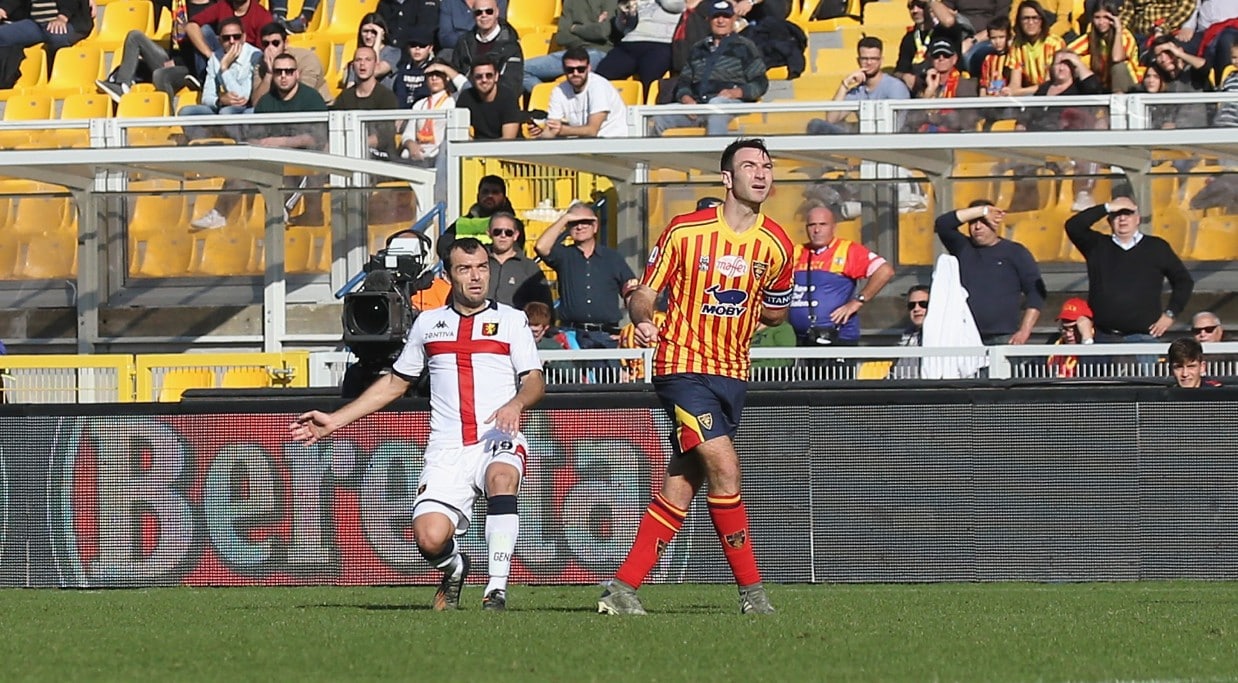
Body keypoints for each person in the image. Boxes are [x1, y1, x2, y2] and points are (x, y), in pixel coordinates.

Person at [290, 237, 546, 611]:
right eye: (465, 269)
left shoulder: (510, 320)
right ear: (448, 274)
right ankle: (456, 567)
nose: (476, 278)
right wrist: (334, 421)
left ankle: (495, 589)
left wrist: (517, 402)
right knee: (429, 539)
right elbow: (396, 382)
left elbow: (535, 379)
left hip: (497, 437)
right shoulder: (429, 324)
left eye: (482, 269)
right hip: (447, 449)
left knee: (501, 479)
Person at [598, 138, 794, 616]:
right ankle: (753, 594)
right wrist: (644, 317)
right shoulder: (686, 231)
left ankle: (622, 589)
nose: (761, 173)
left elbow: (777, 310)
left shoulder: (778, 244)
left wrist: (755, 310)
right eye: (750, 165)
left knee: (682, 483)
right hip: (682, 365)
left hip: (732, 372)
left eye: (767, 166)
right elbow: (645, 292)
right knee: (725, 468)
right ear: (727, 178)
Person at [190, 52, 327, 229]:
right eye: (278, 72)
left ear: (297, 74)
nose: (283, 76)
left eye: (288, 71)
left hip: (306, 158)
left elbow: (316, 138)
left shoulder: (311, 98)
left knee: (304, 166)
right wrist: (256, 145)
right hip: (271, 158)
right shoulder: (266, 102)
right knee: (240, 169)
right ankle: (220, 213)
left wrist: (280, 142)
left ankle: (282, 208)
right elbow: (255, 135)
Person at [1064, 195, 1194, 344]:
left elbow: (1184, 281)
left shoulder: (1157, 247)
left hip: (1145, 337)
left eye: (1127, 213)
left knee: (1148, 368)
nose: (1122, 219)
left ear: (1137, 218)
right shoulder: (1097, 245)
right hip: (1104, 336)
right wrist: (1107, 207)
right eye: (1117, 214)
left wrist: (1170, 314)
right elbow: (1073, 226)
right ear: (1109, 220)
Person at [934, 200, 1046, 344]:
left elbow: (1036, 293)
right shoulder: (963, 248)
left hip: (1005, 336)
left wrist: (1025, 330)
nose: (978, 227)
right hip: (965, 336)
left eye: (983, 222)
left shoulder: (1015, 252)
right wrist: (983, 211)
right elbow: (943, 224)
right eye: (973, 222)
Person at [651, 1, 768, 137]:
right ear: (708, 20)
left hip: (730, 103)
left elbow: (760, 82)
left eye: (726, 17)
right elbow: (684, 81)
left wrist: (735, 92)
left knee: (716, 106)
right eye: (716, 17)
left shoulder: (745, 46)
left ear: (733, 19)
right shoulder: (697, 48)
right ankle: (647, 157)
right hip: (699, 105)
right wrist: (686, 98)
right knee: (657, 118)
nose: (720, 21)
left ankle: (718, 155)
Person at [534, 202, 638, 350]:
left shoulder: (613, 258)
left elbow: (632, 293)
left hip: (606, 337)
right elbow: (541, 247)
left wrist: (633, 328)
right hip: (571, 336)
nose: (580, 226)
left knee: (609, 374)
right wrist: (565, 219)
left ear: (595, 227)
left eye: (585, 222)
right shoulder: (564, 255)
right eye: (574, 223)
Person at [789, 205, 894, 347]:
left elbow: (885, 271)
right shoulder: (797, 251)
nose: (817, 230)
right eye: (812, 225)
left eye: (823, 224)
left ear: (834, 227)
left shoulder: (847, 250)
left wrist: (857, 301)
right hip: (800, 338)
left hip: (838, 338)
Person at [806, 37, 911, 135]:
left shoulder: (895, 87)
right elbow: (831, 119)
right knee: (815, 125)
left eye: (874, 58)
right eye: (864, 59)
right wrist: (845, 84)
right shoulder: (857, 91)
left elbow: (898, 126)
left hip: (889, 140)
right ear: (858, 61)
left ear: (881, 60)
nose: (869, 62)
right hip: (863, 139)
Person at [527, 46, 629, 139]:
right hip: (583, 144)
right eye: (570, 70)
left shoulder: (598, 85)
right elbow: (552, 128)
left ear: (589, 68)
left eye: (580, 69)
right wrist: (542, 133)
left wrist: (560, 130)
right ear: (564, 69)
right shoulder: (559, 91)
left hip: (612, 142)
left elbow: (592, 131)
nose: (575, 73)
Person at [177, 17, 260, 127]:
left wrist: (224, 68)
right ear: (219, 40)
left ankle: (236, 143)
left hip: (247, 108)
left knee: (226, 113)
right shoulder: (214, 58)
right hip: (222, 107)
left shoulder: (255, 56)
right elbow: (206, 97)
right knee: (186, 112)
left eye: (236, 37)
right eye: (226, 38)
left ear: (243, 38)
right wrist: (219, 101)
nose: (231, 41)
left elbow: (242, 98)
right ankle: (202, 142)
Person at [522, 0, 615, 93]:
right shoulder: (570, 2)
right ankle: (551, 99)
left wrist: (575, 28)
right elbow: (562, 37)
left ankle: (554, 100)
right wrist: (591, 31)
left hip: (601, 53)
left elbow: (603, 32)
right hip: (575, 52)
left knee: (521, 69)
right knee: (520, 69)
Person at [594, 0, 686, 88]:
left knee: (649, 78)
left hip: (660, 43)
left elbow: (673, 5)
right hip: (629, 43)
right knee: (600, 77)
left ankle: (647, 102)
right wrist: (624, 15)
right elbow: (621, 28)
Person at [333, 46, 400, 161]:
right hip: (348, 157)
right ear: (353, 65)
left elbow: (384, 136)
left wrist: (354, 143)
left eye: (367, 60)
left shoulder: (386, 96)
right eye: (358, 60)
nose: (362, 64)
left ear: (375, 65)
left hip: (381, 158)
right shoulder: (344, 97)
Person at [435, 56, 522, 140]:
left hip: (508, 152)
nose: (484, 80)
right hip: (476, 151)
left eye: (489, 75)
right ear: (472, 78)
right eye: (479, 76)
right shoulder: (466, 97)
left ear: (496, 77)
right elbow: (461, 133)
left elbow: (508, 139)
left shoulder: (508, 97)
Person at [449, 0, 524, 95]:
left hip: (497, 102)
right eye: (478, 12)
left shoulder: (511, 46)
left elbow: (512, 86)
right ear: (473, 16)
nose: (484, 15)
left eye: (489, 11)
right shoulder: (464, 42)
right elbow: (455, 73)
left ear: (497, 12)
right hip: (465, 98)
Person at [486, 212, 553, 311]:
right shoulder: (479, 263)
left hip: (516, 324)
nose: (503, 236)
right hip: (482, 322)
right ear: (489, 233)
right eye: (497, 232)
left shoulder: (529, 267)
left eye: (508, 232)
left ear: (516, 235)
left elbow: (544, 305)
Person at [251, 22, 332, 104]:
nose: (270, 48)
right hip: (278, 108)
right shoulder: (262, 64)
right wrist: (269, 73)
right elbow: (257, 103)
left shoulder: (306, 59)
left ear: (285, 43)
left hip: (316, 108)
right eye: (266, 44)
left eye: (275, 43)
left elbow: (302, 97)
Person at [1004, 0, 1065, 96]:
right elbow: (1015, 84)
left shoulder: (1055, 44)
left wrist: (1018, 92)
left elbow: (1049, 84)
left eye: (1035, 18)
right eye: (1026, 18)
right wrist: (1009, 91)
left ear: (1042, 21)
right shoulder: (1017, 45)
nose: (1030, 22)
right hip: (1029, 94)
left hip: (1053, 94)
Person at [400, 67, 455, 165]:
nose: (434, 78)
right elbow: (407, 134)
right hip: (415, 155)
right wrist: (411, 145)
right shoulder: (419, 104)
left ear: (446, 77)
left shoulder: (453, 102)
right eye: (430, 75)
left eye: (438, 75)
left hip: (440, 157)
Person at [342, 13, 403, 90]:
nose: (368, 36)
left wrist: (378, 40)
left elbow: (375, 70)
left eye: (374, 32)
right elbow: (350, 87)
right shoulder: (358, 58)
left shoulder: (393, 53)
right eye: (365, 31)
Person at [0, 0, 92, 52]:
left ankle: (51, 76)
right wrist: (3, 9)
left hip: (68, 22)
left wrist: (62, 17)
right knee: (3, 35)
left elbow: (72, 2)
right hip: (36, 23)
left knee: (57, 38)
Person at [1045, 297, 1095, 377]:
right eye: (1065, 329)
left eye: (1074, 328)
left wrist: (1086, 338)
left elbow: (1090, 374)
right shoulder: (1055, 340)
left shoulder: (1100, 342)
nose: (1068, 334)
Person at [890, 284, 929, 379]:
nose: (916, 309)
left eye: (923, 304)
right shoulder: (907, 336)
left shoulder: (942, 337)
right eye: (912, 305)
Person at [894, 0, 935, 90]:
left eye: (920, 5)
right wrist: (905, 76)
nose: (915, 10)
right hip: (917, 88)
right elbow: (899, 71)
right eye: (911, 7)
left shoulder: (942, 32)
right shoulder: (909, 37)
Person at [392, 26, 437, 109]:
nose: (417, 48)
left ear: (430, 48)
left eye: (422, 45)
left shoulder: (435, 70)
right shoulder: (402, 69)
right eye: (413, 45)